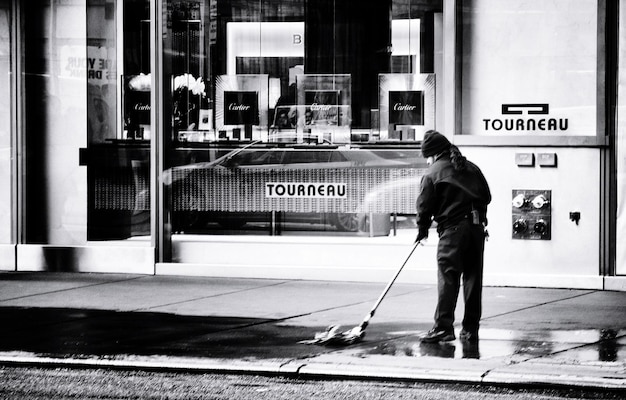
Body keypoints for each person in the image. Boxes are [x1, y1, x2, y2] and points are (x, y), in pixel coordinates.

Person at [415, 130, 491, 343]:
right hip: (476, 230)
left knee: (449, 279)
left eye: (428, 156)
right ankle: (470, 329)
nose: (428, 160)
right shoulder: (472, 168)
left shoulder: (432, 173)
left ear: (434, 154)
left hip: (452, 232)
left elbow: (424, 207)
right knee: (473, 280)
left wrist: (422, 231)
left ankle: (443, 328)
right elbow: (486, 196)